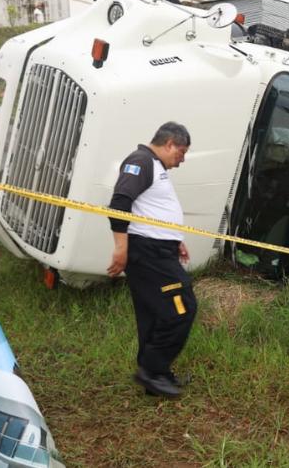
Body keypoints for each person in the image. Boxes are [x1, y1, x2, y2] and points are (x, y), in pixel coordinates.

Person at [107, 122, 197, 399]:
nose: (181, 161)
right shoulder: (141, 161)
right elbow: (120, 202)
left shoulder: (155, 167)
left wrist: (174, 238)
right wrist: (120, 247)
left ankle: (156, 377)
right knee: (182, 308)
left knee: (154, 313)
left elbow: (150, 209)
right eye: (180, 153)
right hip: (148, 254)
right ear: (169, 143)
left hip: (159, 249)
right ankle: (150, 369)